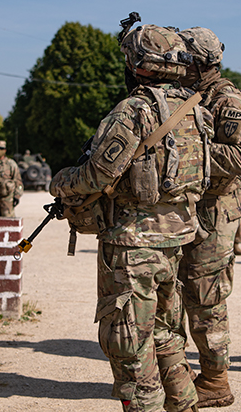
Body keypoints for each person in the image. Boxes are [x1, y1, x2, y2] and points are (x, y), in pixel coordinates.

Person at [51, 24, 206, 412]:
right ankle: (184, 404)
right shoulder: (194, 109)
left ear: (138, 65)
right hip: (177, 239)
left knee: (129, 344)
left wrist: (60, 182)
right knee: (168, 334)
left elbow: (97, 175)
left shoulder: (134, 110)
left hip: (133, 245)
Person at [176, 27, 241, 408]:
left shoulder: (227, 98)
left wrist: (193, 152)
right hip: (190, 211)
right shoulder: (192, 95)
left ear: (199, 61)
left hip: (215, 213)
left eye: (183, 58)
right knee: (179, 293)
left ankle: (216, 380)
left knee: (207, 298)